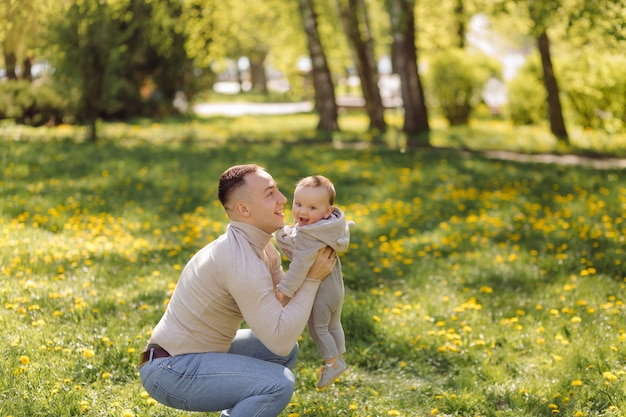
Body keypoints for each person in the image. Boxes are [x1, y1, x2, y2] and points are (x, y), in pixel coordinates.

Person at [138, 164, 337, 417]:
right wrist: (311, 279)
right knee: (278, 384)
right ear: (243, 209)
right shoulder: (239, 260)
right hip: (171, 370)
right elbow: (280, 338)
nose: (284, 199)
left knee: (277, 355)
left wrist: (311, 255)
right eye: (270, 194)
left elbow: (284, 307)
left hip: (196, 355)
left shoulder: (262, 249)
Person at [274, 175, 353, 389]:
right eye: (298, 204)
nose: (302, 212)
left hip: (323, 290)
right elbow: (298, 236)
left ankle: (332, 363)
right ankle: (340, 356)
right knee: (333, 324)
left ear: (327, 211)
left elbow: (300, 265)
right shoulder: (327, 226)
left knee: (318, 327)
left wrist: (285, 289)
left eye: (311, 207)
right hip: (336, 288)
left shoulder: (309, 236)